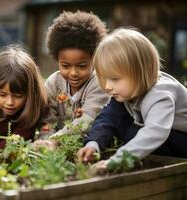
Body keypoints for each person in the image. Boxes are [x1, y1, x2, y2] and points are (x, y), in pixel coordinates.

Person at [77, 28, 187, 173]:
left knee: (133, 132)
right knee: (118, 121)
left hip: (181, 140)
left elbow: (155, 132)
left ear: (142, 71)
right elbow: (107, 119)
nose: (108, 86)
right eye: (105, 78)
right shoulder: (126, 91)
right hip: (169, 137)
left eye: (115, 79)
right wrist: (93, 144)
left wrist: (117, 160)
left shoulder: (161, 94)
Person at [37, 10, 110, 140]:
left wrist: (55, 140)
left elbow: (86, 120)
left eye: (82, 66)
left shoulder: (99, 84)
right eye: (65, 66)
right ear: (57, 60)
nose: (73, 73)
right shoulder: (53, 83)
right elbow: (47, 121)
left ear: (94, 58)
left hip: (90, 142)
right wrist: (45, 142)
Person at [0, 45, 47, 161]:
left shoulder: (33, 105)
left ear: (30, 93)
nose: (10, 102)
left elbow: (21, 136)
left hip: (11, 154)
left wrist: (0, 151)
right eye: (2, 94)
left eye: (18, 96)